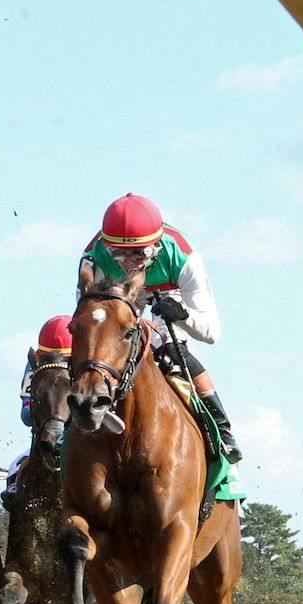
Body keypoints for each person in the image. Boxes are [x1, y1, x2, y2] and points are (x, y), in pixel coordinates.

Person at [78, 192, 241, 463]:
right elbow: (91, 323)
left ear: (155, 247)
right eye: (118, 254)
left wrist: (181, 316)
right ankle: (63, 434)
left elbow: (212, 333)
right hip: (119, 301)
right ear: (108, 247)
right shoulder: (93, 258)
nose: (129, 263)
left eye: (138, 254)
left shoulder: (183, 258)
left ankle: (223, 432)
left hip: (170, 298)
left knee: (172, 350)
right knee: (92, 359)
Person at [1, 315, 72, 512]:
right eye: (47, 359)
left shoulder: (87, 368)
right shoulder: (33, 367)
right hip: (44, 439)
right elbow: (25, 415)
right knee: (15, 468)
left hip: (81, 440)